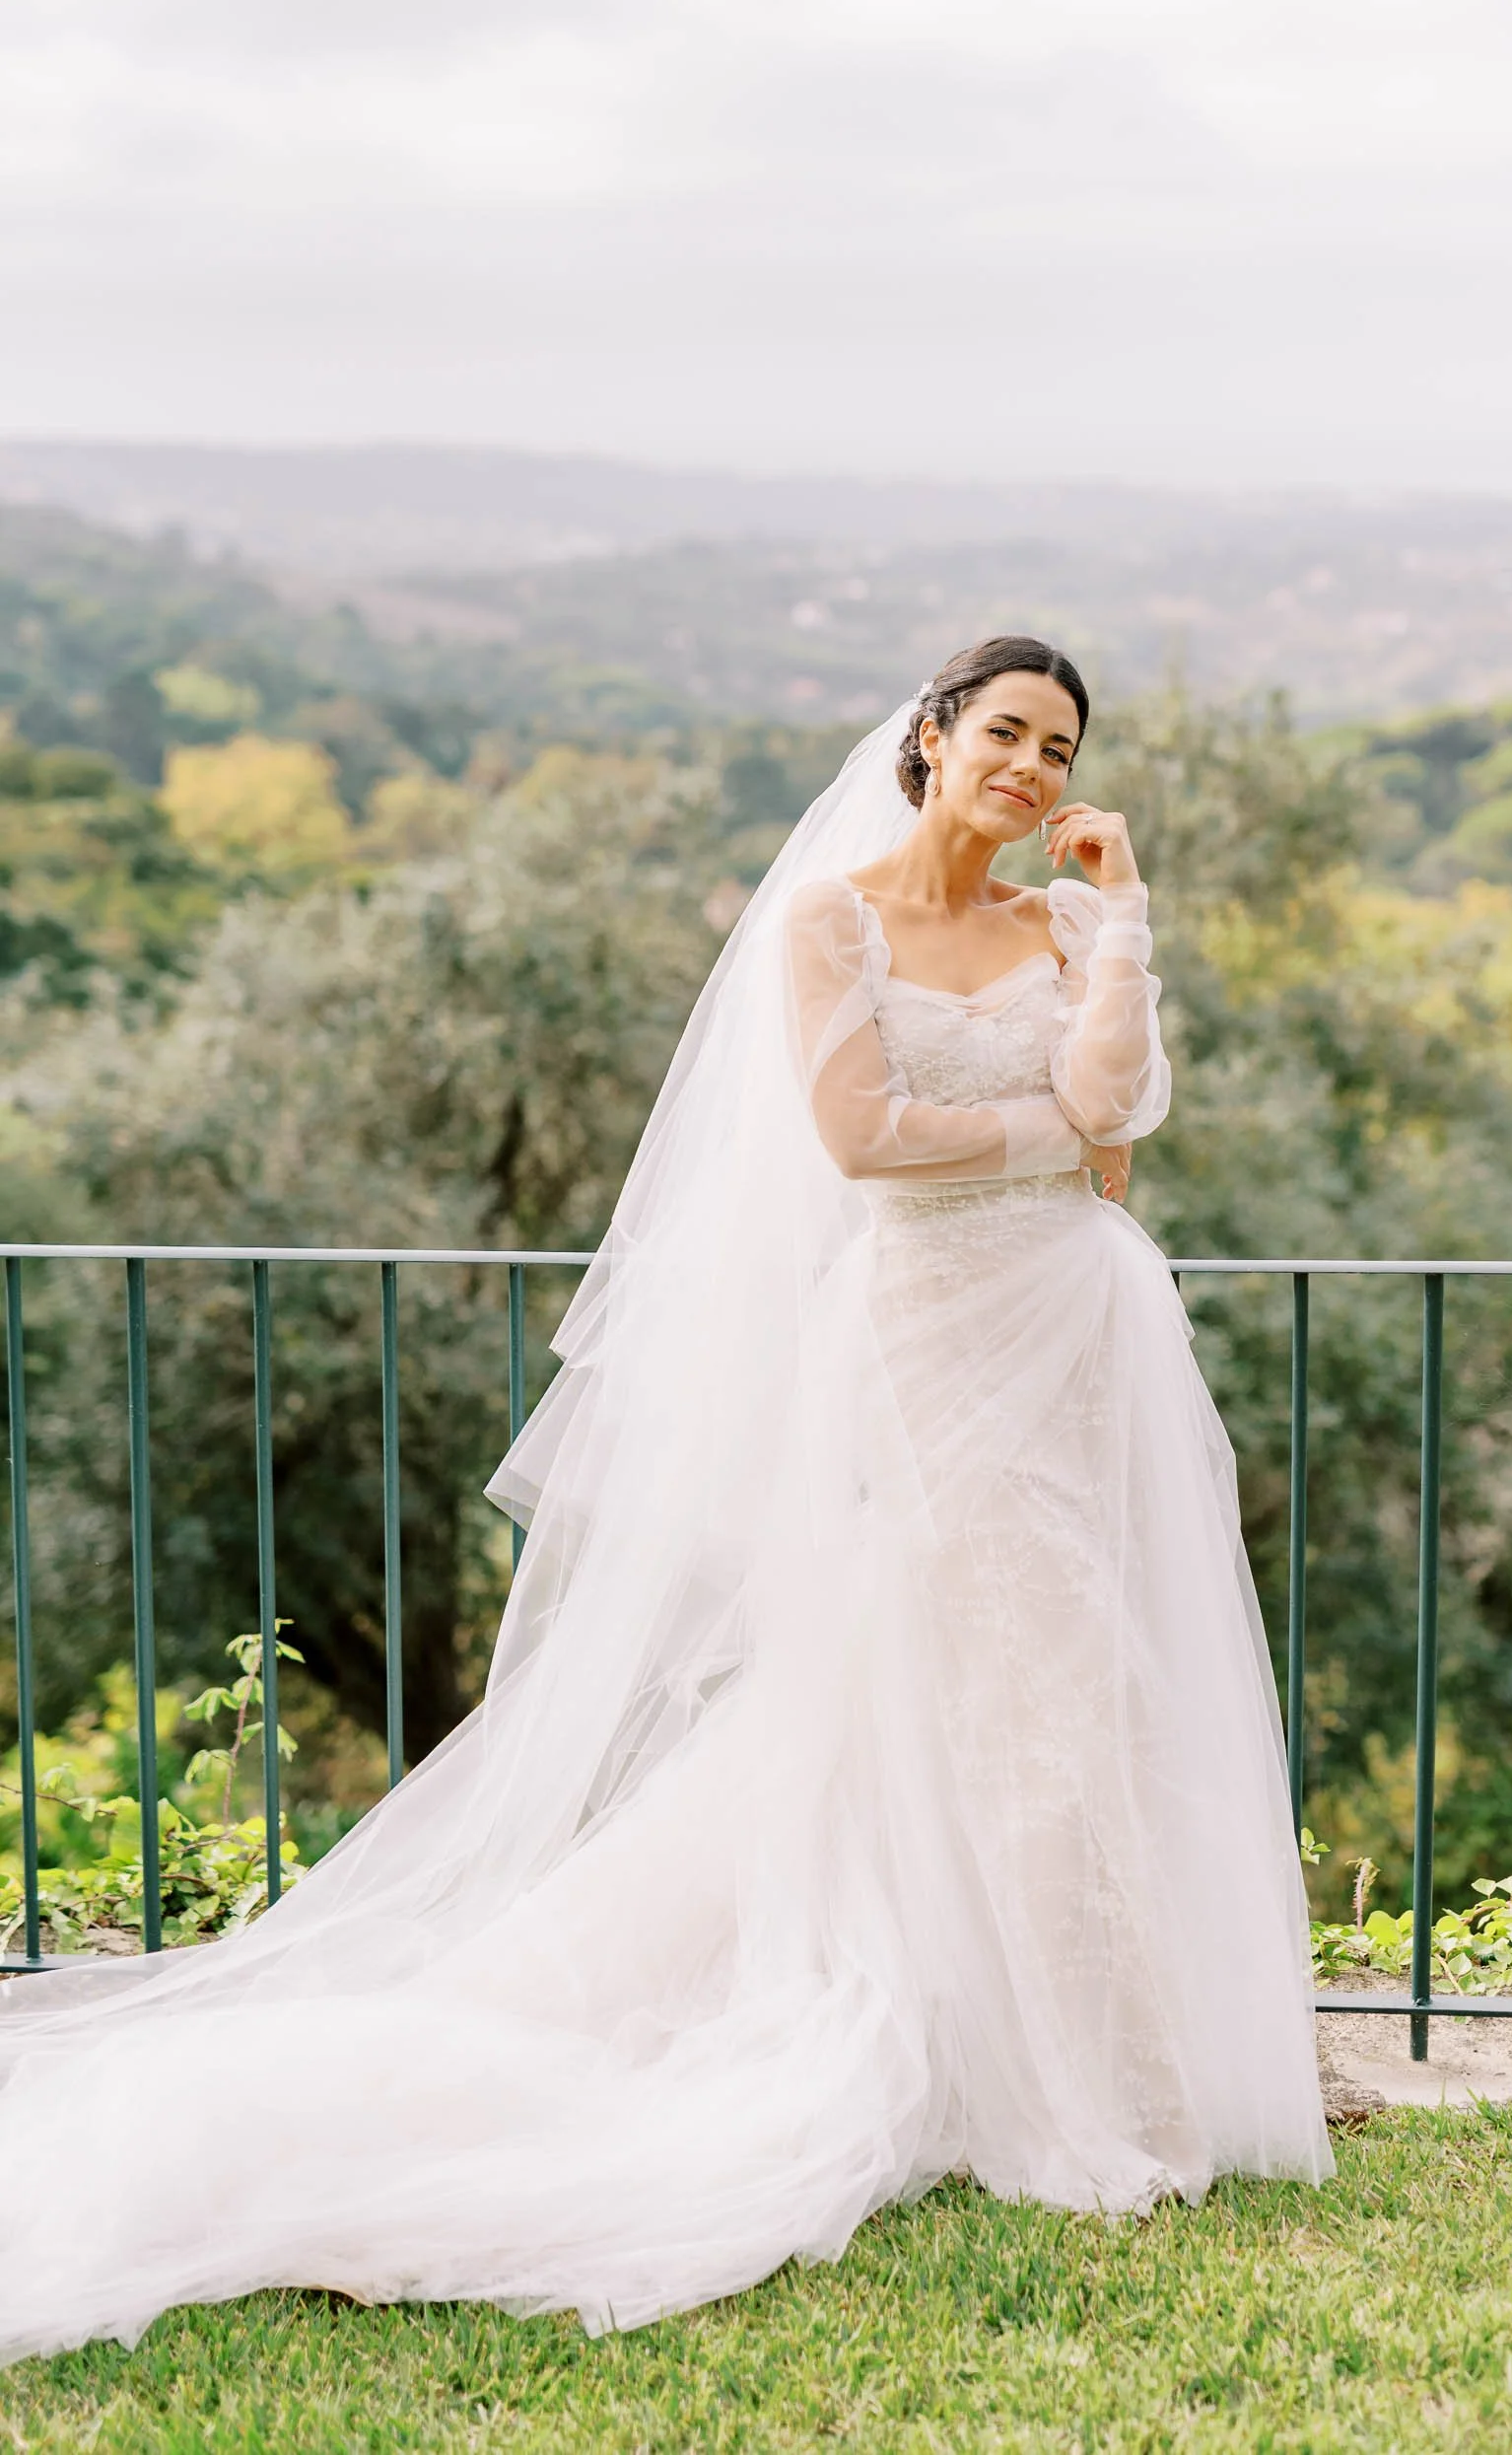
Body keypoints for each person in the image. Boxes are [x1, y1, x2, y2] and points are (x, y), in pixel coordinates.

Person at [0, 636, 1330, 2368]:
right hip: (925, 1339)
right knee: (986, 1676)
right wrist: (1041, 1137)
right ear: (931, 742)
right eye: (1004, 732)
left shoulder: (1070, 927)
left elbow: (1118, 1133)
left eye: (1060, 749)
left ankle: (1071, 2043)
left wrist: (1129, 912)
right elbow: (864, 1140)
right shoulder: (829, 924)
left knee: (1072, 1681)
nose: (1033, 768)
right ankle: (1027, 2070)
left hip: (1082, 1341)